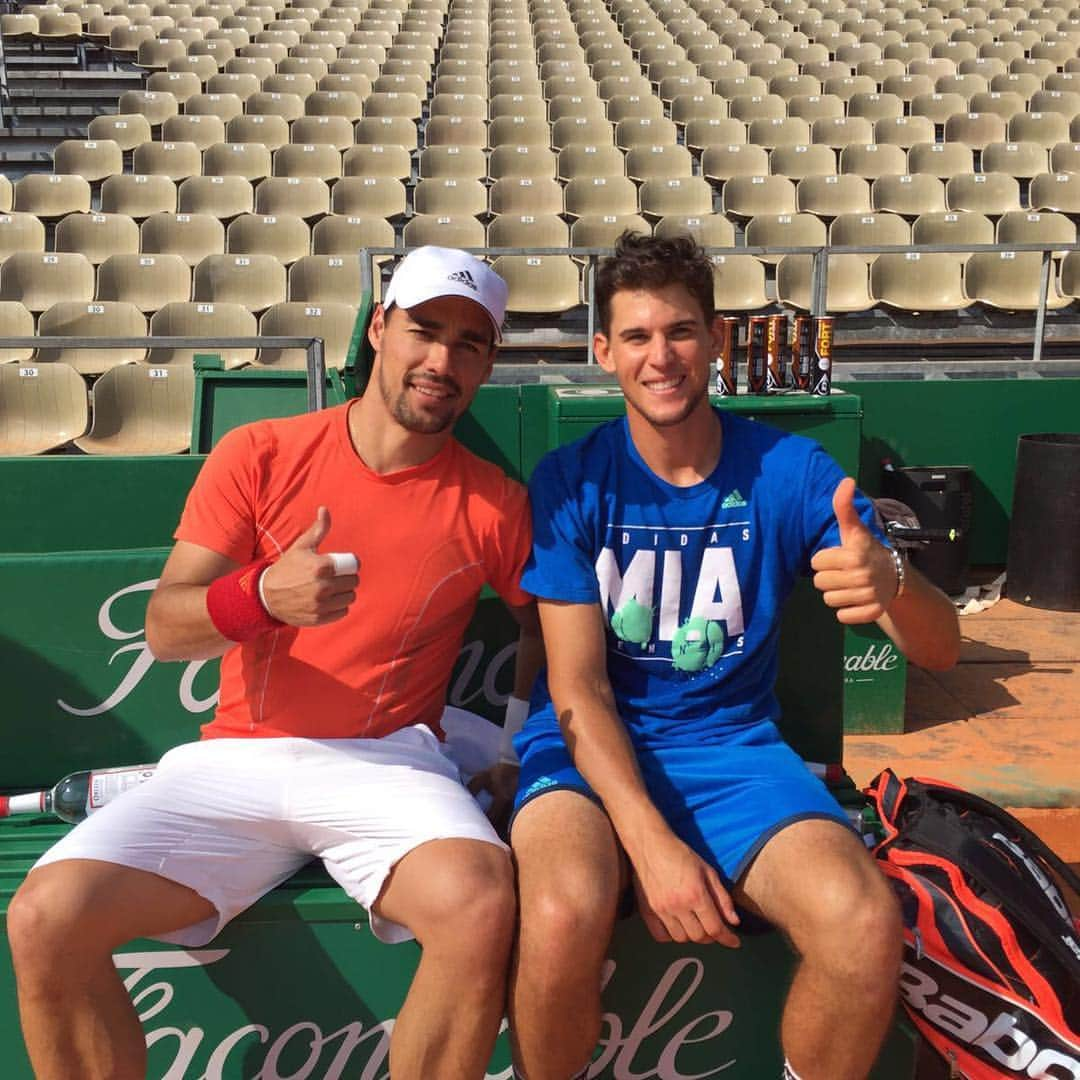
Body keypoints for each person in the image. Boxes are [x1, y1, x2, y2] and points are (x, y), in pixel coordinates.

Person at [7, 246, 542, 1080]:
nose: (441, 360)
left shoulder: (494, 499)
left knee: (479, 901)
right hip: (235, 761)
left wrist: (514, 748)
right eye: (424, 331)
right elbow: (164, 626)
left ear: (488, 363)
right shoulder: (259, 451)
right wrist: (260, 598)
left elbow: (543, 628)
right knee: (45, 916)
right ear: (379, 329)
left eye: (469, 344)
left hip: (391, 763)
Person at [507, 232, 961, 1080]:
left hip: (735, 754)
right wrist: (651, 846)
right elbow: (576, 688)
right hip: (587, 758)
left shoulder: (789, 471)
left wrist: (891, 578)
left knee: (863, 921)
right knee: (566, 910)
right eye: (637, 337)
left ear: (716, 339)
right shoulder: (571, 481)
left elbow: (942, 648)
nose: (661, 356)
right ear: (604, 351)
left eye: (680, 332)